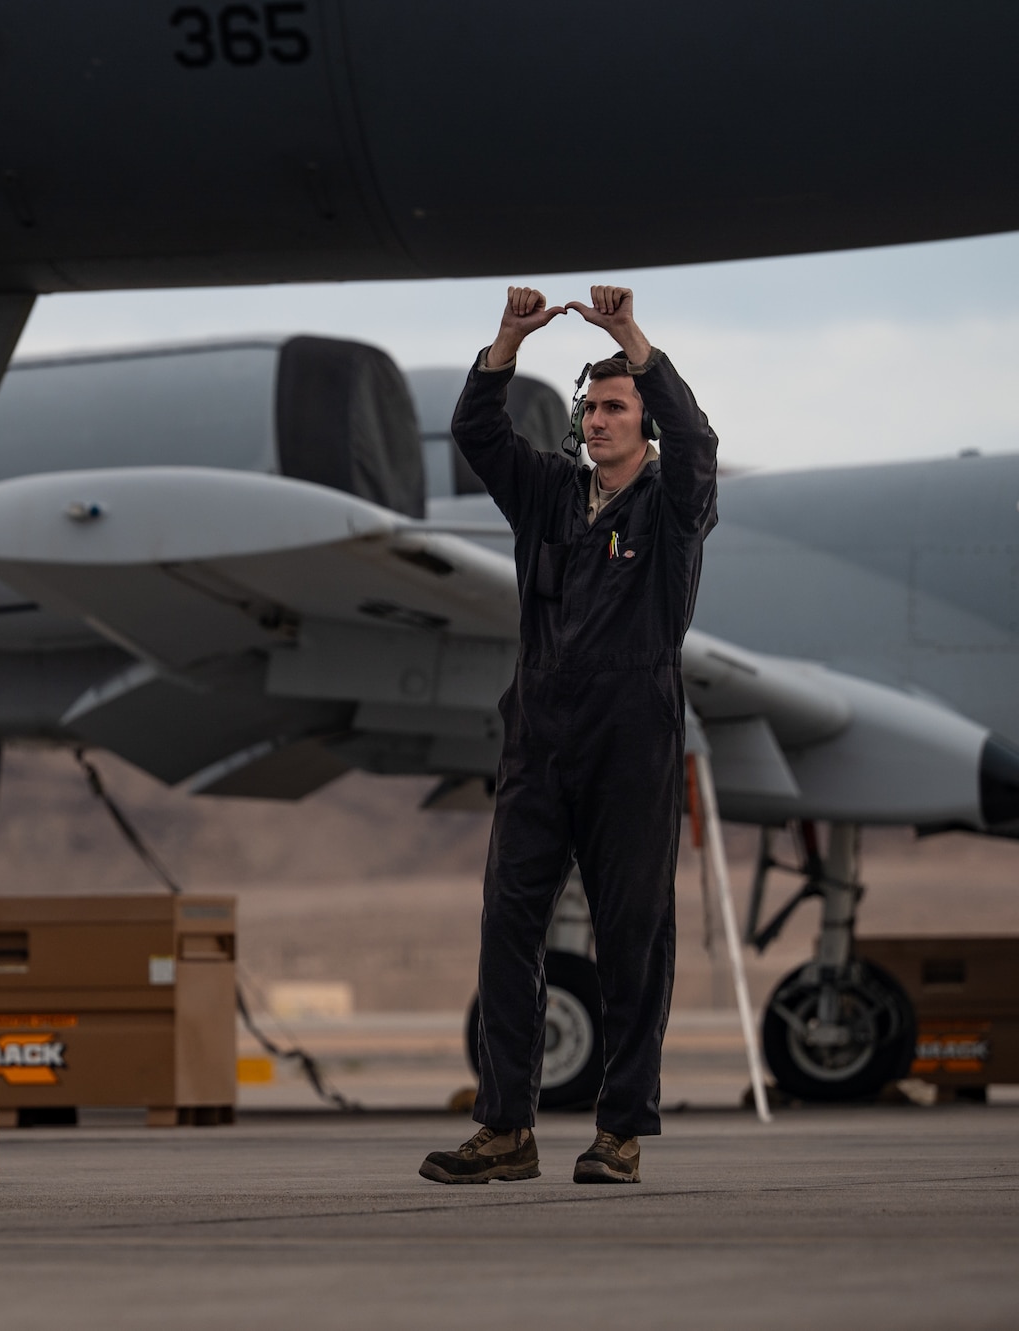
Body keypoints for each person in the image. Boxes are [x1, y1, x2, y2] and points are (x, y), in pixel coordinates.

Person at [420, 286, 718, 1185]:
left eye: (614, 407)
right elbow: (476, 436)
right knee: (509, 921)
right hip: (540, 739)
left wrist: (632, 341)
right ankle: (506, 1128)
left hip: (633, 743)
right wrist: (506, 344)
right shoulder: (548, 493)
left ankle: (619, 1130)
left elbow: (699, 443)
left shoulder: (673, 508)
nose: (595, 419)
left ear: (644, 426)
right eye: (589, 405)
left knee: (633, 933)